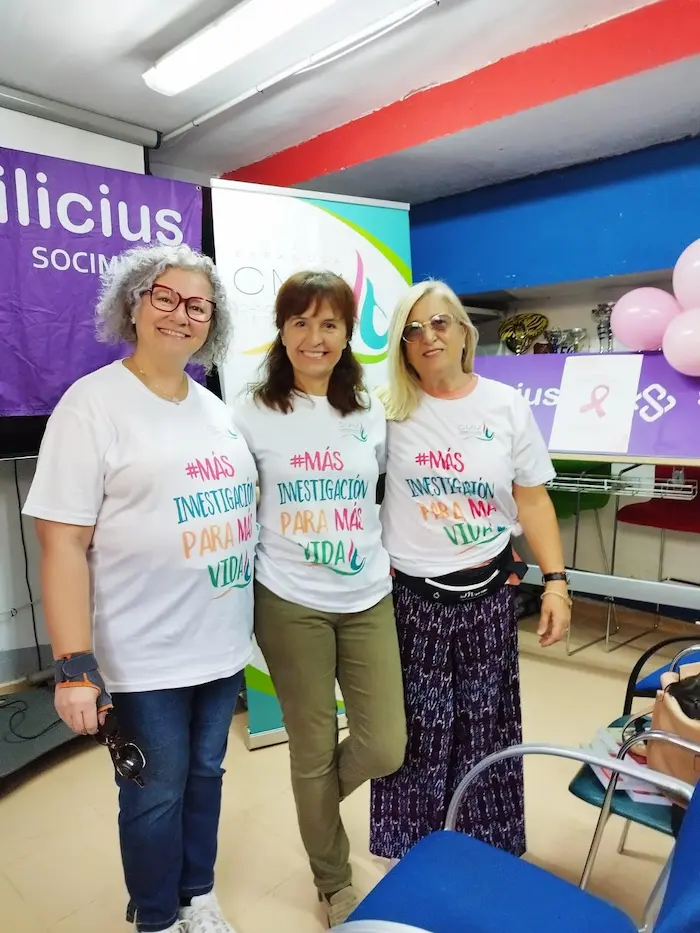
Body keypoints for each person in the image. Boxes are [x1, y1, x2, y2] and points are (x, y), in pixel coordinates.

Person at [23, 244, 256, 933]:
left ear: (211, 322)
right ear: (133, 303)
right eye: (165, 296)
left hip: (218, 642)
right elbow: (61, 541)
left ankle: (197, 894)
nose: (181, 314)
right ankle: (156, 917)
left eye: (198, 304)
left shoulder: (214, 409)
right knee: (153, 794)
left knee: (207, 776)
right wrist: (73, 666)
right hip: (142, 650)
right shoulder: (92, 404)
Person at [370, 280, 571, 862]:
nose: (427, 337)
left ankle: (487, 845)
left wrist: (555, 582)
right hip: (409, 596)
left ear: (463, 331)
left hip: (487, 589)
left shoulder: (506, 405)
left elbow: (531, 500)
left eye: (438, 323)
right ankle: (412, 849)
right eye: (412, 330)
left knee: (487, 721)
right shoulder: (387, 412)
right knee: (417, 726)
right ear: (402, 347)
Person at [233, 270, 406, 927]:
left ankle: (314, 803)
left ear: (346, 333)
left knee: (384, 743)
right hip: (288, 599)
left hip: (367, 596)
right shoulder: (249, 410)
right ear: (281, 331)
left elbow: (395, 494)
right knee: (311, 746)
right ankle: (333, 882)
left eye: (329, 323)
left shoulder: (370, 407)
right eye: (300, 321)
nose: (315, 335)